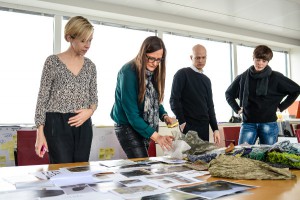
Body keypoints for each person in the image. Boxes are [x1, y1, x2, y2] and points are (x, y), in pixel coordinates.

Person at [34, 16, 98, 163]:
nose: (87, 45)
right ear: (69, 37)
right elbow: (42, 98)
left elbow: (94, 98)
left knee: (81, 172)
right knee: (62, 172)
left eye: (90, 40)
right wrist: (40, 133)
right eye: (83, 40)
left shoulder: (90, 66)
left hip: (83, 123)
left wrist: (90, 111)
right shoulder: (52, 62)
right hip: (56, 123)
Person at [110, 36, 175, 159]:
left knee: (140, 169)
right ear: (143, 53)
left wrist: (164, 116)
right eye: (151, 58)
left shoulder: (152, 72)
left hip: (143, 125)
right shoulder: (128, 72)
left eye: (159, 60)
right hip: (127, 125)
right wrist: (158, 137)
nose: (155, 63)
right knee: (142, 168)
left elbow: (154, 102)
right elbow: (132, 115)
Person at [225, 45, 300, 145]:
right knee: (241, 154)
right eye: (258, 59)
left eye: (264, 61)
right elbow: (229, 94)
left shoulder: (276, 77)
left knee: (267, 156)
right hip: (248, 124)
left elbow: (296, 90)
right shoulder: (243, 77)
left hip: (269, 124)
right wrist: (237, 109)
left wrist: (281, 107)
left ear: (268, 62)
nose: (260, 63)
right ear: (253, 58)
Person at [170, 44, 220, 144]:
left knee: (203, 158)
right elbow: (174, 100)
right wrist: (182, 122)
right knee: (188, 158)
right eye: (197, 57)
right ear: (191, 57)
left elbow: (210, 106)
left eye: (203, 57)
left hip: (204, 127)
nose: (200, 60)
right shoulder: (182, 74)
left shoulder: (207, 80)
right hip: (188, 126)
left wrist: (215, 129)